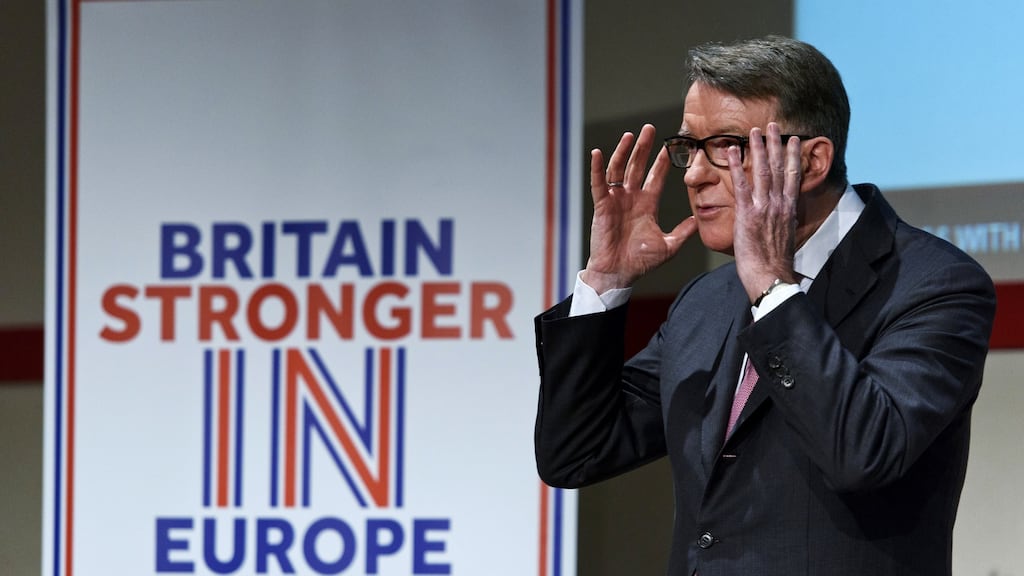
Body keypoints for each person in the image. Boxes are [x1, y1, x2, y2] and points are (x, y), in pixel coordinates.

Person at [533, 35, 996, 576]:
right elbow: (577, 452)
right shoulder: (705, 302)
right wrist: (604, 283)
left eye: (727, 147)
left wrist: (773, 289)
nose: (694, 174)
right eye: (689, 148)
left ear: (814, 161)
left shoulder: (934, 284)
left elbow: (863, 453)